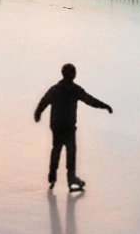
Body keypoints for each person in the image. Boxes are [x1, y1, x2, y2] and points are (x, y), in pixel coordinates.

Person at [34, 62, 113, 192]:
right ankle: (71, 179)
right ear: (73, 74)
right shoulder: (74, 89)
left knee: (56, 150)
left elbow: (44, 101)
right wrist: (105, 106)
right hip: (68, 128)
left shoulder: (56, 89)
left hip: (57, 126)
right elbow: (90, 100)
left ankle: (53, 177)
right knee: (70, 153)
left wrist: (38, 113)